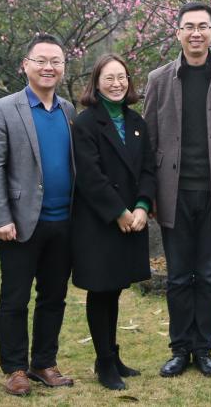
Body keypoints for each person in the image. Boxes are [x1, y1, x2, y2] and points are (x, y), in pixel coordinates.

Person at [144, 1, 211, 379]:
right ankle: (179, 349)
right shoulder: (159, 79)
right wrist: (148, 194)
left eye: (202, 26)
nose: (195, 33)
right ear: (178, 33)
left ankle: (203, 349)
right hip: (172, 193)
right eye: (188, 26)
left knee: (208, 276)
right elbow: (148, 141)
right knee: (177, 276)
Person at [0, 34, 76, 396]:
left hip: (63, 221)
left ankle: (43, 363)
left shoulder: (68, 110)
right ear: (26, 65)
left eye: (56, 61)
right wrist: (0, 216)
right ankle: (15, 368)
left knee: (54, 297)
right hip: (20, 222)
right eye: (41, 60)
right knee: (15, 298)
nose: (48, 67)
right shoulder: (4, 108)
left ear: (63, 67)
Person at [70, 54, 157, 390]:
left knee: (116, 288)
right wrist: (118, 212)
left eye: (122, 77)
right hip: (99, 221)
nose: (117, 84)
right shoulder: (86, 123)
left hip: (132, 218)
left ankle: (112, 354)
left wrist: (141, 206)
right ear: (96, 83)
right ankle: (104, 362)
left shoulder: (137, 121)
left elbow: (148, 168)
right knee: (101, 289)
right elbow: (89, 175)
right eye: (109, 78)